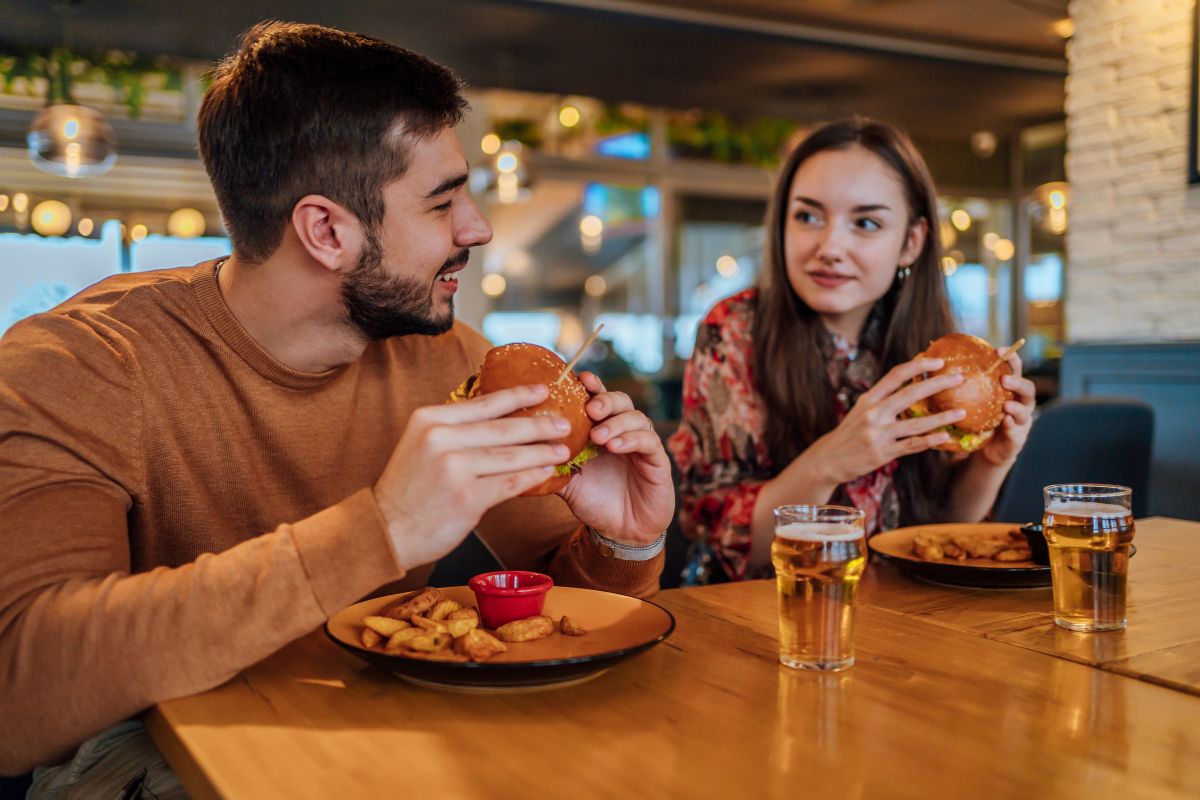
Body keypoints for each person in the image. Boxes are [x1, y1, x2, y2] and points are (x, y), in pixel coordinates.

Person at [0, 21, 674, 791]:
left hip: (391, 743)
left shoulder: (447, 355)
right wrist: (380, 530)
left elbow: (545, 623)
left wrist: (622, 540)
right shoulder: (83, 364)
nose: (478, 229)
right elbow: (19, 689)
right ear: (325, 230)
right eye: (442, 203)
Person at [667, 119, 1035, 583]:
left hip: (902, 615)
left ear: (911, 243)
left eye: (865, 223)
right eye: (808, 216)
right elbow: (729, 543)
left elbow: (935, 534)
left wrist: (990, 462)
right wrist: (833, 459)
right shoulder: (734, 331)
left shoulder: (931, 346)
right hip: (760, 614)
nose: (830, 246)